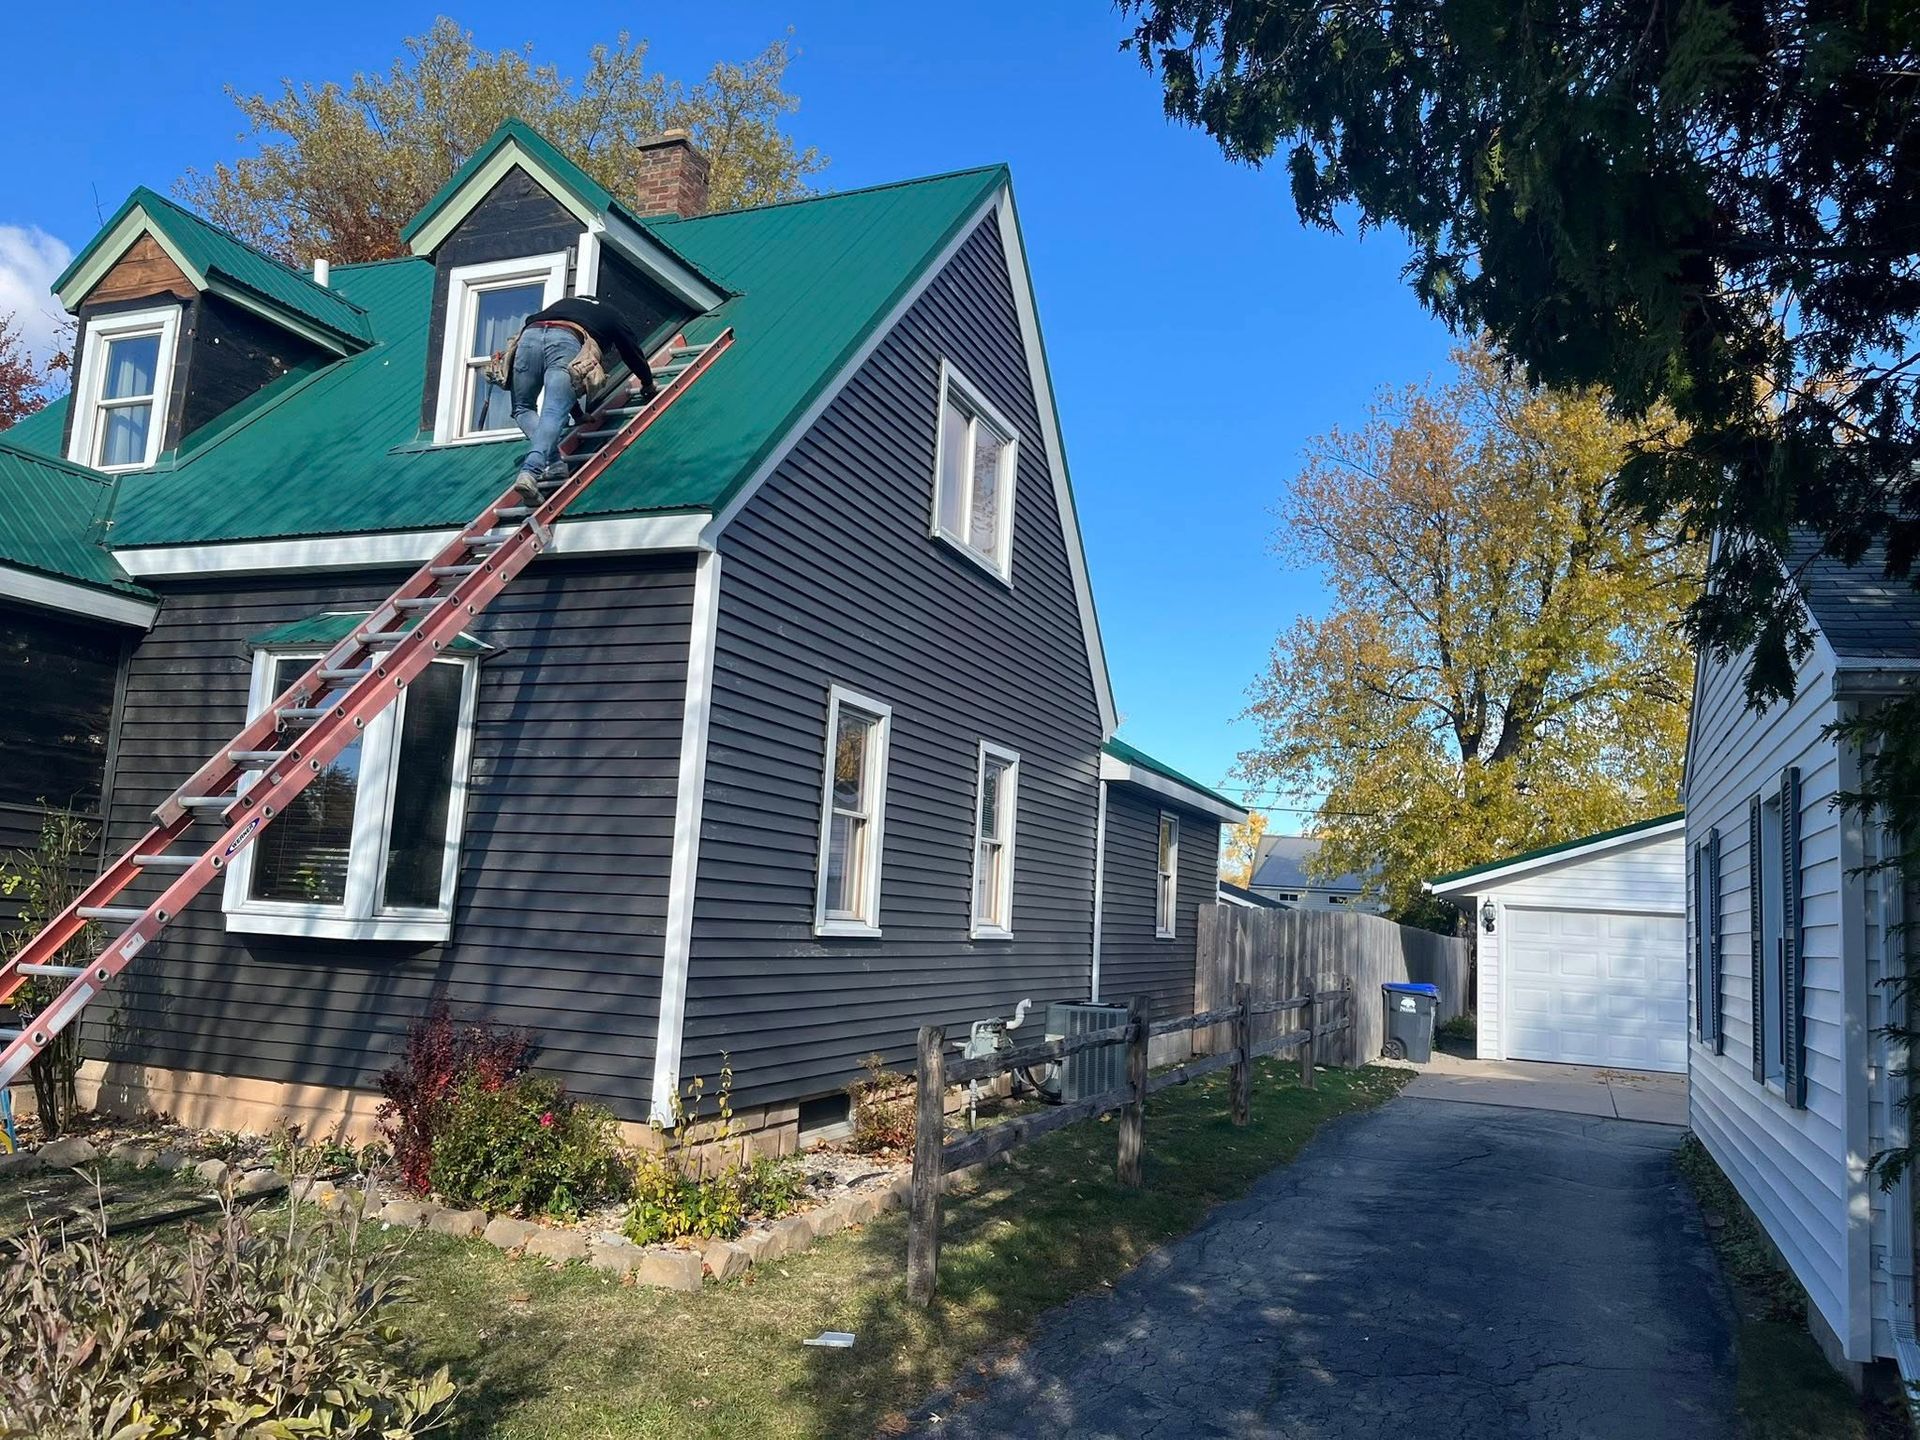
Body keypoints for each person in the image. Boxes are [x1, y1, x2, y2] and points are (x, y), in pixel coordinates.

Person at [503, 295, 659, 505]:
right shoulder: (612, 315)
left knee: (522, 408)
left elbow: (563, 386)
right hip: (567, 339)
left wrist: (577, 414)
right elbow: (631, 353)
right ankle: (530, 471)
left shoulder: (565, 303)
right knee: (552, 412)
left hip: (528, 338)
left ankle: (554, 461)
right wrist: (647, 383)